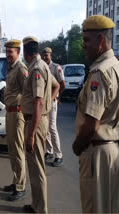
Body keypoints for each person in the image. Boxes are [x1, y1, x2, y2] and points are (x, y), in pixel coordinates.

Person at [72, 15, 119, 213]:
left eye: (87, 40)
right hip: (111, 150)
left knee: (95, 209)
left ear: (100, 41)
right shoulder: (115, 66)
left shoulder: (100, 72)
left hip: (97, 153)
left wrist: (77, 146)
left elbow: (92, 123)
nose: (83, 45)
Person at [21, 36, 59, 213]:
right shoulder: (43, 66)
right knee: (34, 167)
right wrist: (48, 104)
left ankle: (41, 208)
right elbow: (56, 86)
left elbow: (37, 101)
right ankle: (37, 204)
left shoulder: (37, 68)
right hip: (37, 119)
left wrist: (31, 134)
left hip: (35, 122)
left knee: (37, 168)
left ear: (26, 52)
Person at [2, 39, 28, 201]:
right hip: (9, 113)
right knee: (11, 149)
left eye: (10, 52)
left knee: (18, 150)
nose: (7, 55)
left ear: (18, 52)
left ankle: (21, 186)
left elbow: (28, 92)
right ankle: (15, 180)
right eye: (6, 52)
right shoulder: (11, 68)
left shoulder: (21, 68)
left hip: (18, 114)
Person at [42, 47, 65, 167]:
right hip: (44, 101)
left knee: (52, 127)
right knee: (45, 128)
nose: (45, 57)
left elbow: (62, 84)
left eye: (47, 55)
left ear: (51, 55)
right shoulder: (42, 67)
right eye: (44, 55)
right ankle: (49, 151)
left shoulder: (56, 68)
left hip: (52, 101)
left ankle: (59, 155)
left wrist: (57, 97)